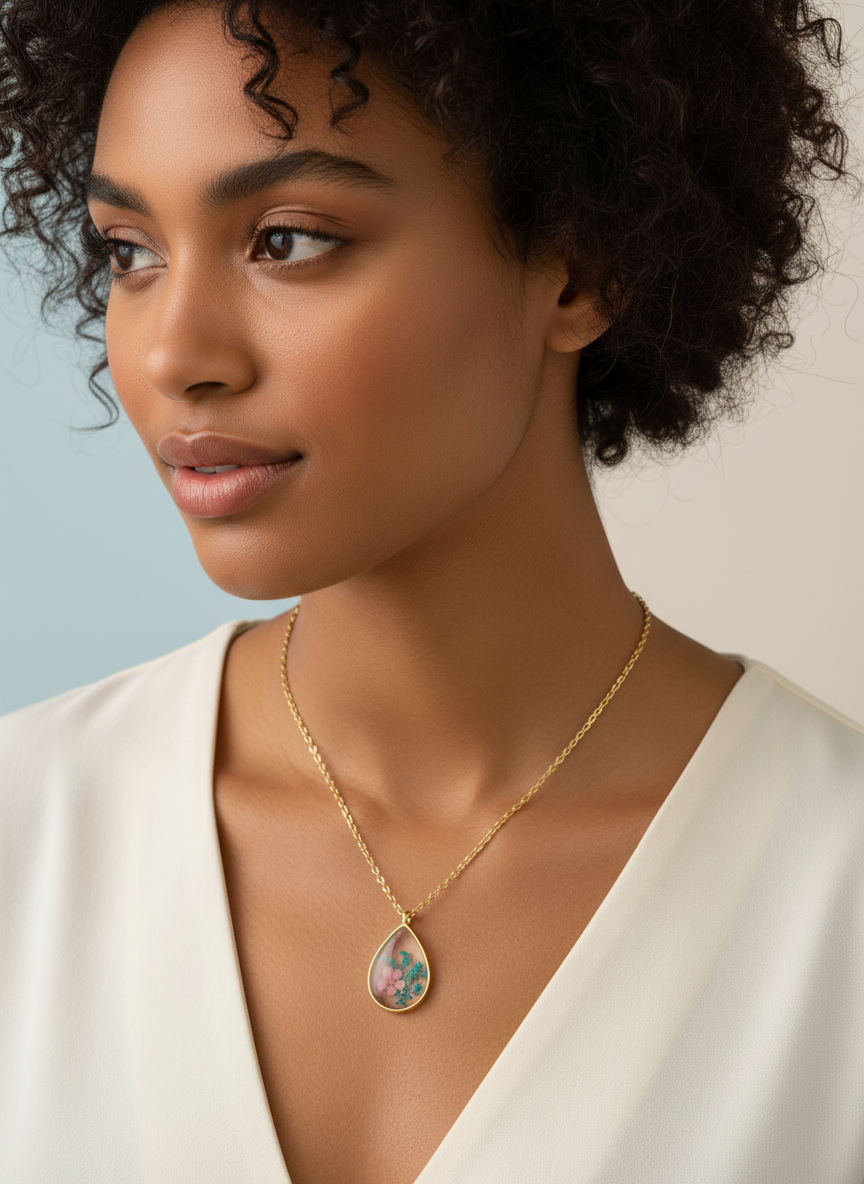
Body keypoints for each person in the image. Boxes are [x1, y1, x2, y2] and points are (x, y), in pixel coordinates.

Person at [0, 2, 862, 1181]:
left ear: (580, 262)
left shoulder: (835, 892)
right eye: (129, 251)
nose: (170, 355)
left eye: (288, 238)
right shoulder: (24, 831)